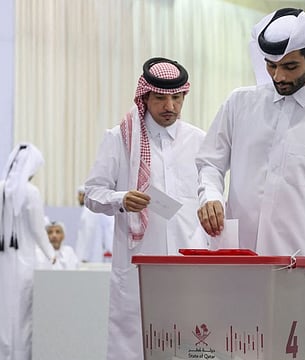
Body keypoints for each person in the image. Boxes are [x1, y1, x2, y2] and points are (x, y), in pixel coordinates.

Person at [195, 8, 305, 360]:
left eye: (290, 67)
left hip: (299, 277)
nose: (278, 76)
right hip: (236, 268)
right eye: (271, 66)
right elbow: (209, 163)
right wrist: (209, 193)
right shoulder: (239, 104)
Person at [84, 57, 208, 360]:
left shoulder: (199, 140)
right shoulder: (120, 139)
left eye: (177, 98)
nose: (170, 106)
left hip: (187, 262)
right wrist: (121, 199)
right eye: (161, 98)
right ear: (145, 97)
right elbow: (92, 193)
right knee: (134, 342)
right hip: (139, 263)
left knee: (189, 339)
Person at [0, 143, 56, 360]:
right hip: (24, 261)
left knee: (4, 311)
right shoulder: (31, 192)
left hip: (3, 260)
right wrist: (51, 254)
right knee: (23, 313)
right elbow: (38, 231)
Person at [75, 185, 114, 262]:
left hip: (89, 257)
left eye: (80, 195)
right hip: (92, 254)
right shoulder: (88, 211)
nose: (78, 198)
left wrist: (84, 257)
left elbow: (89, 234)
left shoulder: (89, 212)